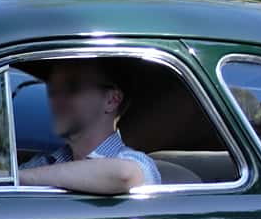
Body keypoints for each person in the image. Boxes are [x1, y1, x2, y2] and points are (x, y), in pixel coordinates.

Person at [20, 61, 160, 194]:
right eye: (53, 90)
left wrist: (23, 178)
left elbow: (125, 175)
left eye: (71, 87)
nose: (56, 99)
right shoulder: (45, 162)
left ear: (112, 100)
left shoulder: (136, 162)